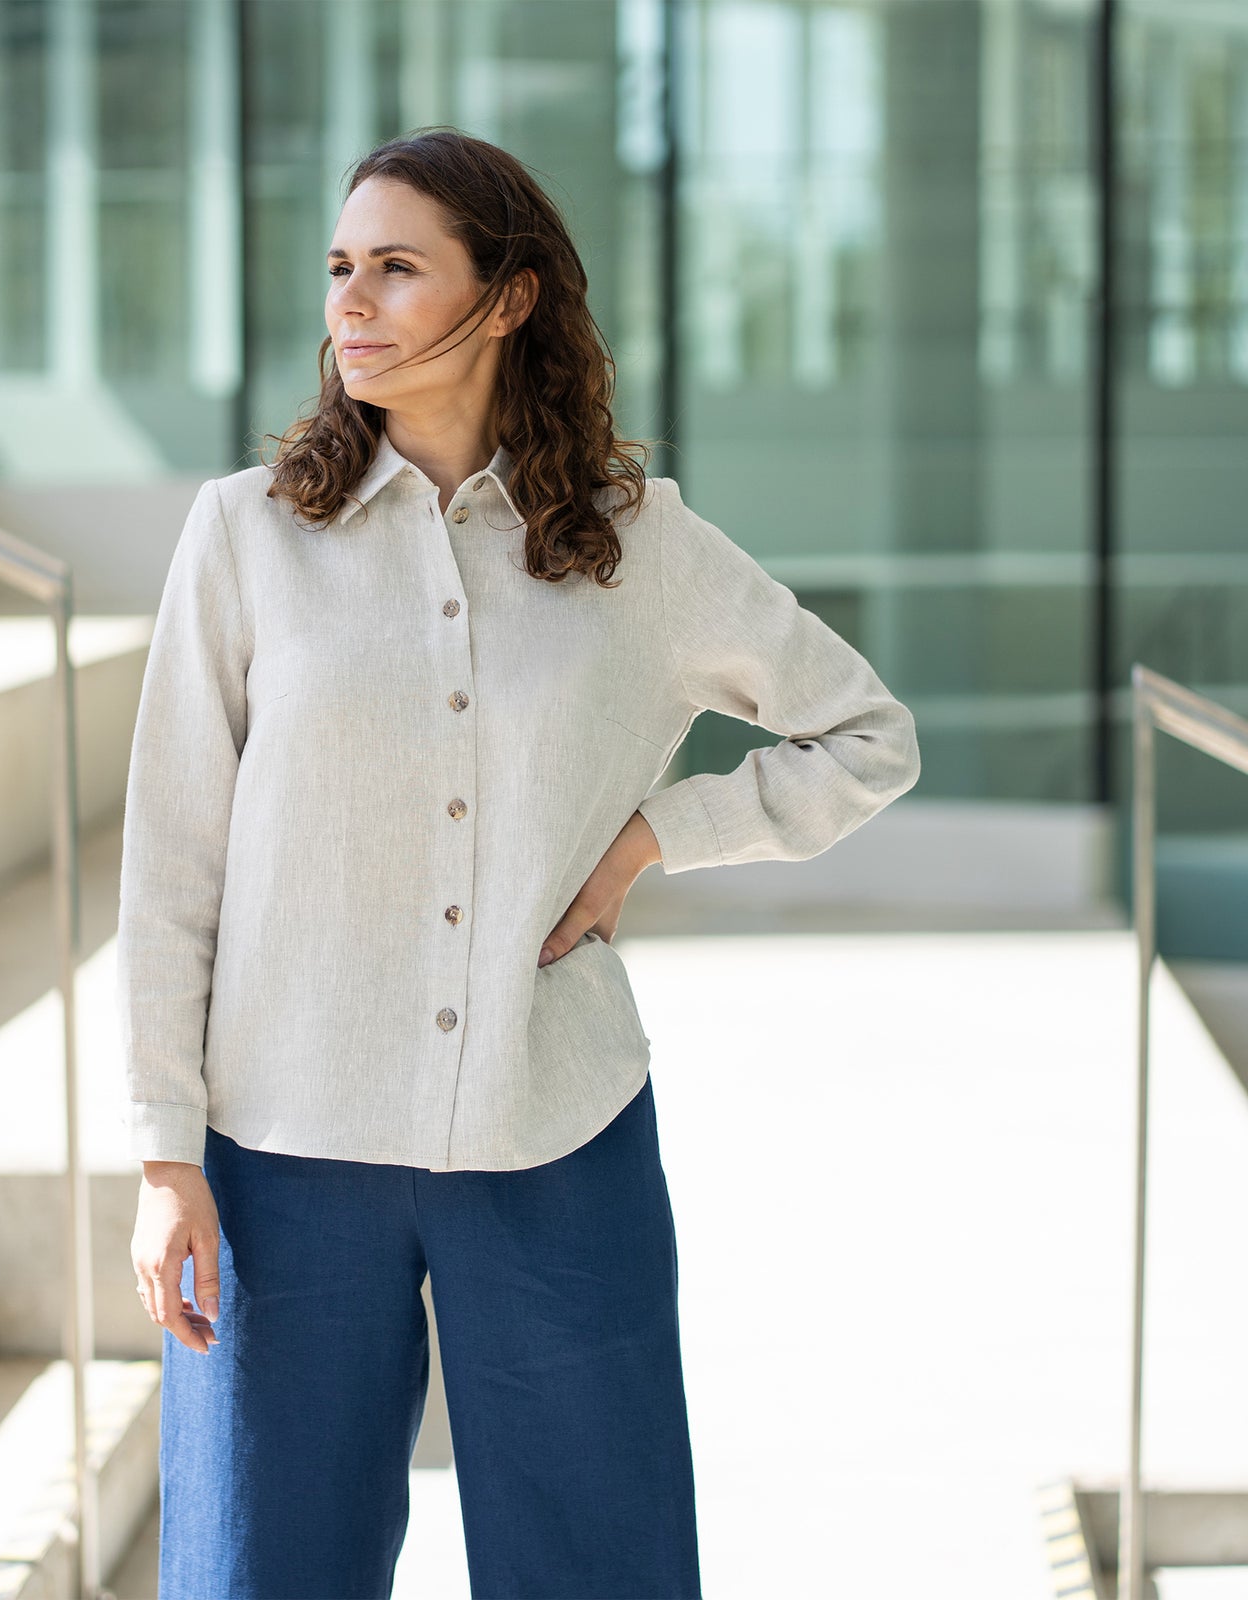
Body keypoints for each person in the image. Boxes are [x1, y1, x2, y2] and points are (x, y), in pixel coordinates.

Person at [119, 126, 921, 1600]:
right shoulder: (244, 537)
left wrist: (657, 838)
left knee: (597, 1571)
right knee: (259, 1571)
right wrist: (168, 1151)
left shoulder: (636, 547)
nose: (350, 303)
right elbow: (174, 856)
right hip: (283, 1144)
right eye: (342, 269)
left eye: (399, 269)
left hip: (555, 1138)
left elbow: (867, 735)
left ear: (511, 299)